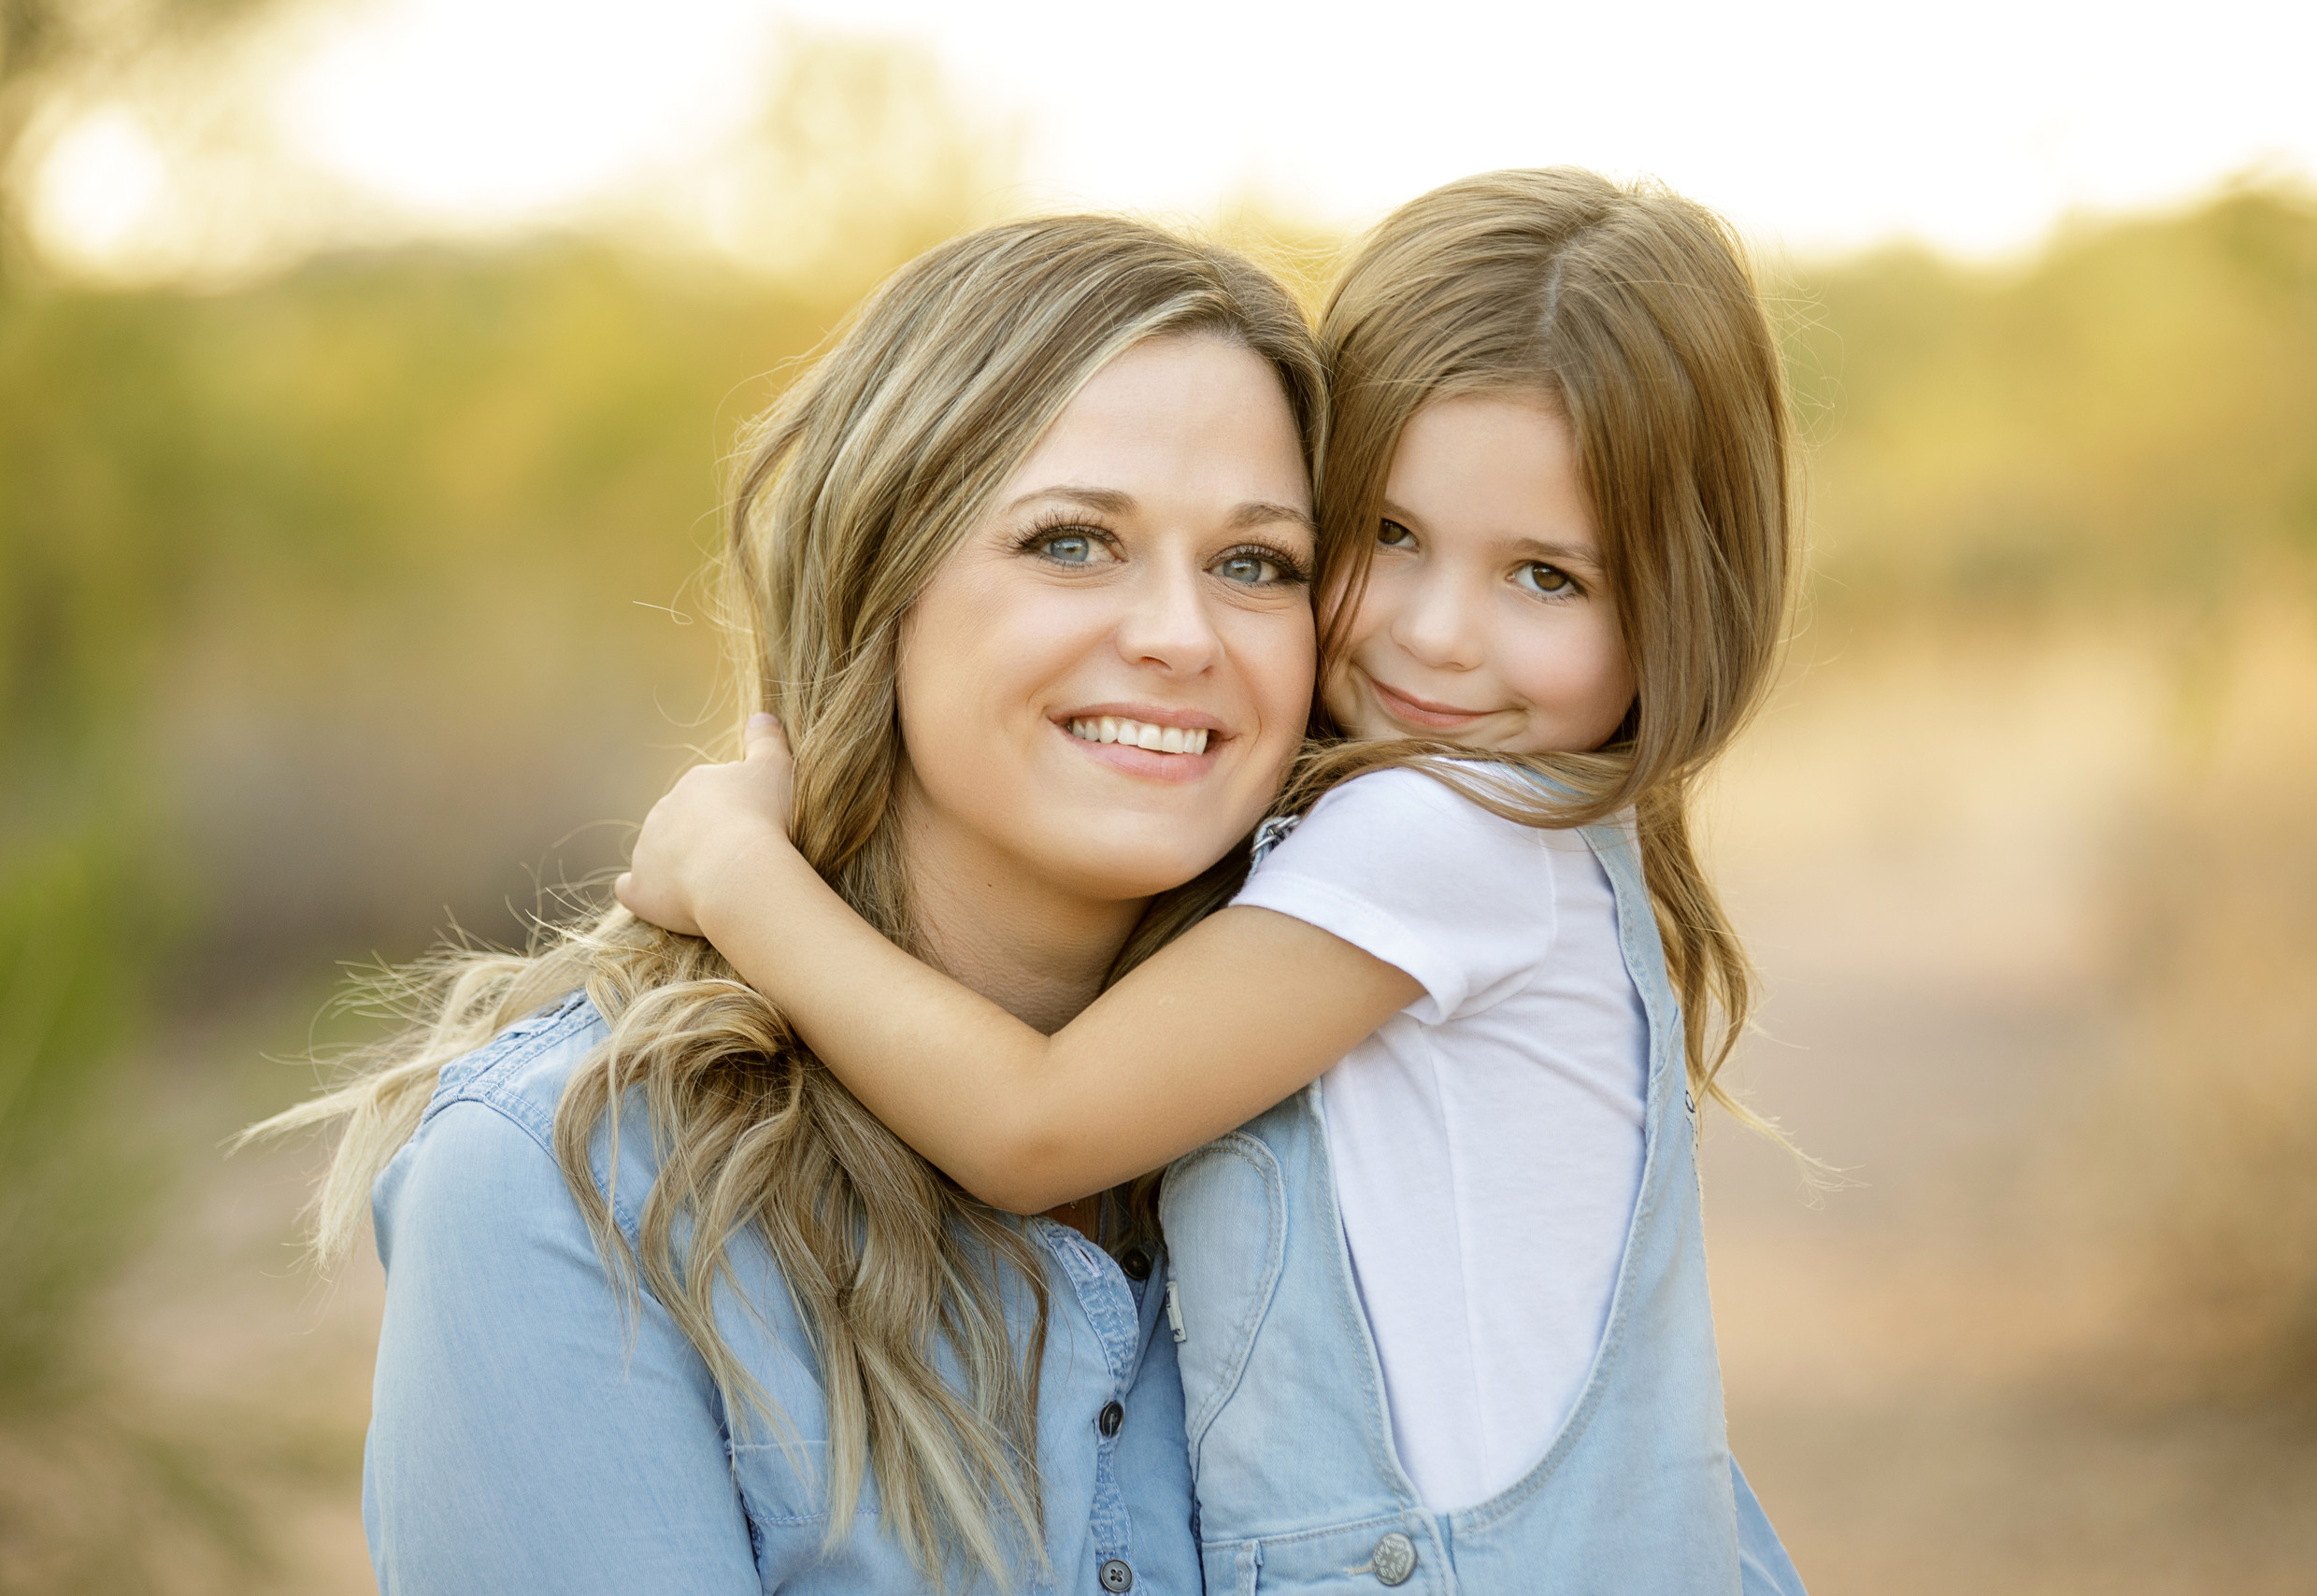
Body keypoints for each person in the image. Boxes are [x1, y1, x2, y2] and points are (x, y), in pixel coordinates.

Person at [615, 167, 1809, 1593]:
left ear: (1685, 603)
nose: (1437, 638)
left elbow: (1033, 1126)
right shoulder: (1529, 850)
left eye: (1547, 577)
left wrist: (740, 872)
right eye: (1391, 537)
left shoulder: (1440, 840)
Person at [248, 213, 1328, 1594]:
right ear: (878, 578)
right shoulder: (572, 1188)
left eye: (1257, 564)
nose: (1183, 633)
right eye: (1071, 543)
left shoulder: (1367, 1129)